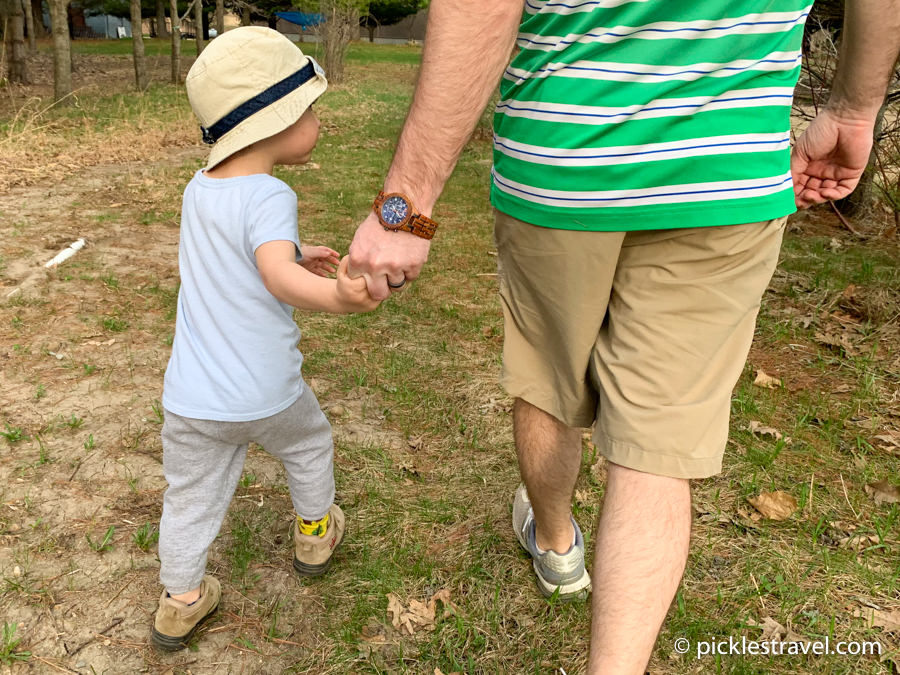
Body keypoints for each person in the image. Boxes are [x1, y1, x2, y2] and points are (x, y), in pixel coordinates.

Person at [347, 1, 900, 672]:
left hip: (562, 164)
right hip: (723, 170)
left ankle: (554, 543)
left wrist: (406, 207)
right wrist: (851, 108)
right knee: (658, 450)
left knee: (547, 381)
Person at [151, 27, 380, 652]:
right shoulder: (271, 193)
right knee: (308, 445)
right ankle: (313, 532)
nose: (317, 122)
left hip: (193, 398)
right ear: (274, 121)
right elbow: (271, 273)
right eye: (311, 111)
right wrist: (337, 295)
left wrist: (299, 253)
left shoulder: (200, 190)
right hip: (266, 391)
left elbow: (242, 255)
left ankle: (181, 599)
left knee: (191, 496)